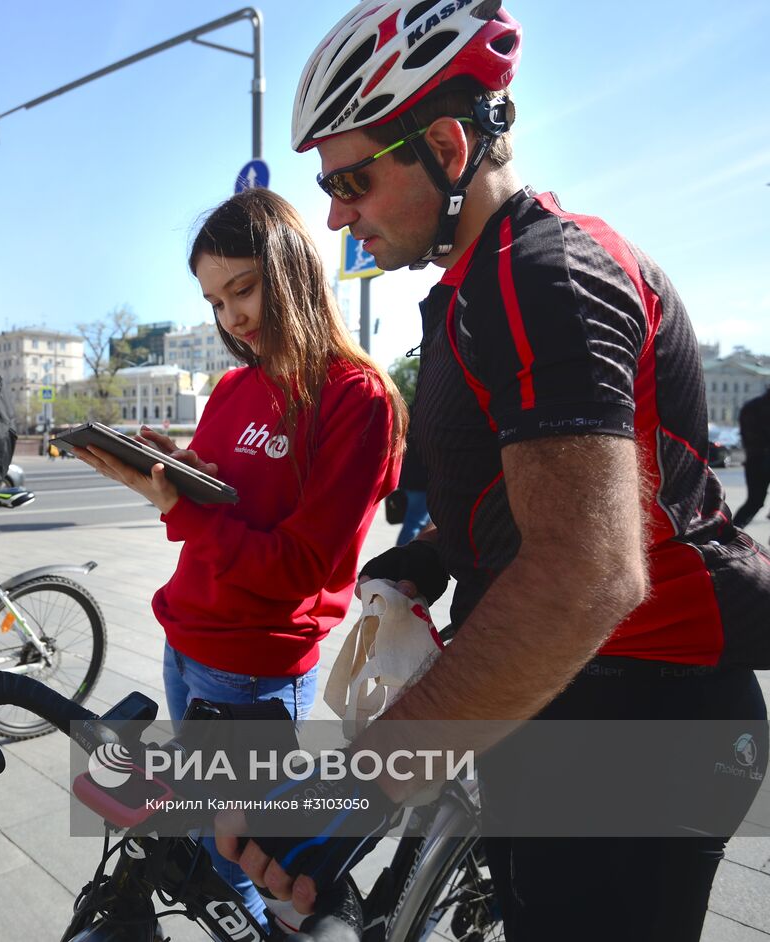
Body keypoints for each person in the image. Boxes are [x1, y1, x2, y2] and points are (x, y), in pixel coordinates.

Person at [218, 3, 770, 939]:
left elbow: (583, 574)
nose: (333, 213)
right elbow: (532, 506)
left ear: (443, 143)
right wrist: (433, 554)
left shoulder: (542, 273)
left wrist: (354, 788)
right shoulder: (480, 282)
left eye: (351, 179)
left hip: (643, 712)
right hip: (576, 699)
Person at [74, 187, 405, 925]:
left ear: (293, 271)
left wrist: (178, 504)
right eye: (215, 302)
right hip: (186, 640)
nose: (232, 318)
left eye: (244, 289)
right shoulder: (233, 385)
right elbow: (230, 496)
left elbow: (297, 568)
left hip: (254, 664)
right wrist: (175, 466)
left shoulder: (357, 399)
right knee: (210, 839)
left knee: (240, 858)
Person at [732, 388, 770, 527]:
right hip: (759, 458)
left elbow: (745, 436)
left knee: (754, 502)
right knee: (755, 502)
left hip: (754, 460)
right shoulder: (755, 407)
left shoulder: (751, 407)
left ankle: (727, 536)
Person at [393, 427, 430, 545]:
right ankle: (401, 558)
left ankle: (402, 555)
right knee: (415, 523)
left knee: (414, 522)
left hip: (408, 478)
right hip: (422, 482)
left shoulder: (416, 414)